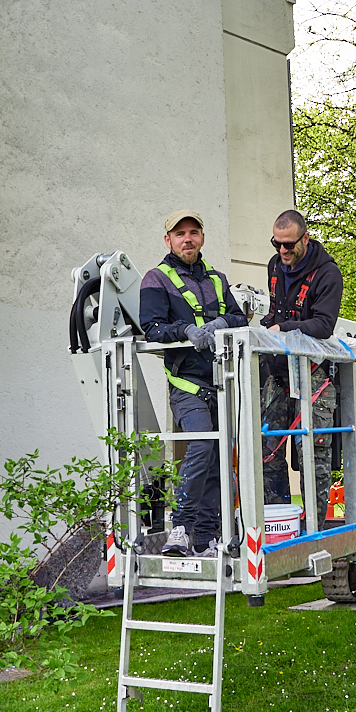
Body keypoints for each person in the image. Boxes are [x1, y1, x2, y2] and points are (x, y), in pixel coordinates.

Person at [140, 210, 248, 556]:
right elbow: (152, 328)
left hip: (222, 382)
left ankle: (205, 538)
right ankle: (181, 527)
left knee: (218, 457)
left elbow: (239, 317)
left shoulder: (217, 279)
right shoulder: (156, 279)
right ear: (168, 240)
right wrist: (185, 330)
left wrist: (220, 324)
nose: (187, 239)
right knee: (202, 445)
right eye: (180, 234)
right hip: (187, 385)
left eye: (193, 232)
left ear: (202, 237)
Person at [259, 210, 343, 530]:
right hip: (279, 373)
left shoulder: (327, 273)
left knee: (311, 453)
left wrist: (283, 328)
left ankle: (314, 529)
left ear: (305, 238)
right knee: (268, 450)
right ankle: (278, 523)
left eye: (289, 244)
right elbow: (274, 313)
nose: (282, 250)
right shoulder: (274, 266)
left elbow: (323, 325)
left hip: (313, 374)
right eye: (277, 244)